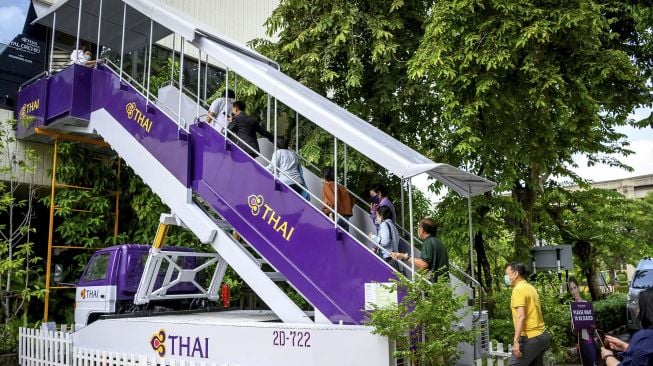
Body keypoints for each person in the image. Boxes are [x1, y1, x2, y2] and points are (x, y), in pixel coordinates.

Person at [504, 262, 551, 366]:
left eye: (507, 274)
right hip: (542, 336)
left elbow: (521, 316)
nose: (506, 277)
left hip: (531, 338)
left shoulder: (518, 289)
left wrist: (516, 342)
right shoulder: (530, 287)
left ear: (515, 274)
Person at [600, 287, 653, 365]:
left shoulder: (644, 337)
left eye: (639, 305)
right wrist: (626, 347)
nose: (637, 310)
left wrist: (608, 356)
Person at [567, 276, 596, 366]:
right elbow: (574, 331)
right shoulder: (572, 307)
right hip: (580, 342)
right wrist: (575, 327)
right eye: (571, 289)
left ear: (578, 287)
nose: (573, 291)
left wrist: (589, 324)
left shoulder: (586, 304)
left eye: (575, 288)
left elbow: (593, 327)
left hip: (589, 340)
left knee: (593, 363)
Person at [321, 166, 354, 231]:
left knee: (332, 238)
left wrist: (330, 214)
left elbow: (331, 201)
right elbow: (352, 200)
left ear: (324, 175)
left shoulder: (327, 185)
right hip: (345, 217)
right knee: (344, 239)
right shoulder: (340, 186)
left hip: (335, 215)